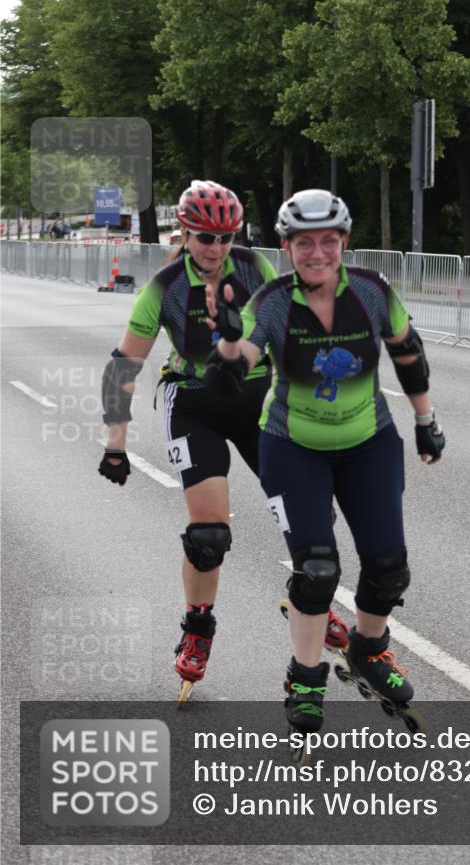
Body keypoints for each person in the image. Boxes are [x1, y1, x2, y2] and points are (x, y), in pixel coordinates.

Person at [204, 188, 445, 733]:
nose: (317, 252)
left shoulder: (371, 290)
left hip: (369, 441)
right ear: (286, 246)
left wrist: (426, 422)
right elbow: (237, 365)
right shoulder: (269, 302)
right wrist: (225, 343)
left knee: (389, 568)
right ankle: (305, 677)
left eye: (328, 241)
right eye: (304, 242)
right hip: (293, 446)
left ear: (344, 242)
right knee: (316, 571)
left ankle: (369, 648)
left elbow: (409, 352)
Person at [97, 181, 348, 702]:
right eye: (206, 236)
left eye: (226, 236)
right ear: (185, 233)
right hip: (194, 403)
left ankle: (312, 599)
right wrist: (115, 443)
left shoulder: (256, 273)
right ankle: (197, 627)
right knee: (209, 537)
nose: (215, 247)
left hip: (256, 402)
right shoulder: (163, 289)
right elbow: (124, 364)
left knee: (312, 514)